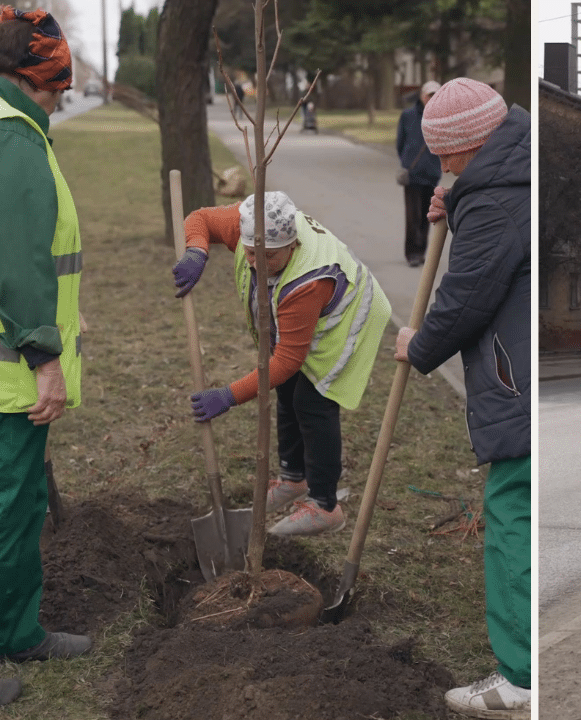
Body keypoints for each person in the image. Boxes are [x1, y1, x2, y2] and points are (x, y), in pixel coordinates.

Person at [392, 77, 530, 720]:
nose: (440, 169)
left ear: (473, 144)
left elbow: (468, 294)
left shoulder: (498, 200)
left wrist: (418, 346)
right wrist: (458, 192)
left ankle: (523, 676)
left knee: (511, 511)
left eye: (448, 158)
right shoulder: (512, 166)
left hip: (519, 385)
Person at [171, 191, 393, 536]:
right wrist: (196, 251)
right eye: (251, 253)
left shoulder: (308, 281)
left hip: (348, 316)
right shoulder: (251, 223)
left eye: (270, 258)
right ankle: (293, 480)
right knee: (288, 392)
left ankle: (325, 506)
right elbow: (199, 218)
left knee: (313, 400)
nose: (258, 263)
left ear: (293, 246)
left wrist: (228, 396)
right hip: (306, 315)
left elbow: (288, 360)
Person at [0, 5, 92, 681]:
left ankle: (20, 632)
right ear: (35, 80)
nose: (63, 98)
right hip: (11, 379)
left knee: (21, 503)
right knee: (8, 510)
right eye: (58, 87)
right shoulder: (17, 144)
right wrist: (47, 360)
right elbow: (20, 265)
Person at [395, 80, 442, 266]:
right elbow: (400, 143)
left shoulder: (441, 117)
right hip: (412, 174)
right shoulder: (408, 116)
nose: (432, 98)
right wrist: (406, 161)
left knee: (426, 215)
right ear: (422, 96)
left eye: (435, 95)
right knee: (412, 216)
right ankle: (412, 252)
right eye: (429, 95)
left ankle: (422, 250)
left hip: (431, 173)